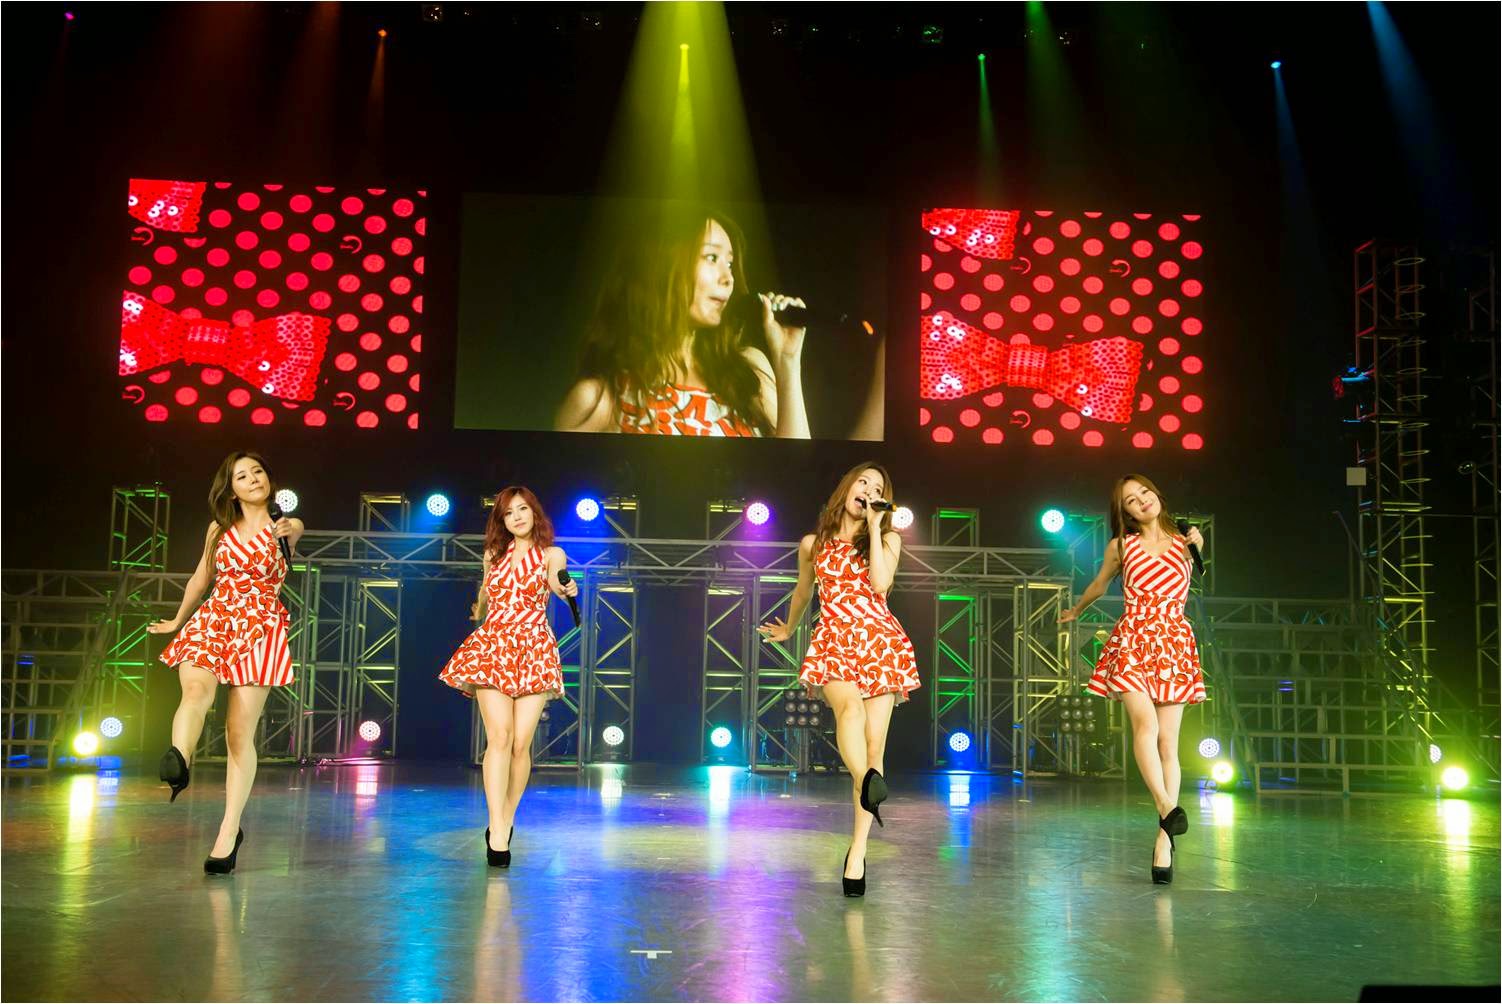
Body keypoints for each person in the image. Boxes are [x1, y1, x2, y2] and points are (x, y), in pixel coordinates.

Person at [759, 462, 919, 896]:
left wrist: (876, 526)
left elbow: (881, 585)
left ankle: (857, 853)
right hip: (834, 638)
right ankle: (868, 782)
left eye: (877, 488)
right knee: (848, 711)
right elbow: (803, 590)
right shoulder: (813, 544)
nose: (868, 490)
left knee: (874, 746)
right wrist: (791, 627)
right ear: (847, 487)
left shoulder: (888, 539)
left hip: (880, 641)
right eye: (862, 482)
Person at [149, 451, 303, 874]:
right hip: (215, 618)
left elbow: (293, 534)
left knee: (238, 734)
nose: (253, 479)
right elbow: (201, 577)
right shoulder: (218, 529)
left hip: (261, 626)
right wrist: (177, 620)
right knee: (195, 689)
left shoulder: (287, 526)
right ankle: (180, 759)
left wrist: (288, 530)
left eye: (258, 471)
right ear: (231, 490)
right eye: (242, 476)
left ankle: (229, 830)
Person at [1061, 474, 1206, 884]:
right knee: (1145, 726)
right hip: (1134, 638)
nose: (1141, 501)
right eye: (1130, 500)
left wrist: (1198, 542)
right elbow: (1099, 583)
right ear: (1124, 512)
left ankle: (1164, 842)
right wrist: (1076, 610)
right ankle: (1166, 807)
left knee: (1168, 743)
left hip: (1174, 642)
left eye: (1144, 492)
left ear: (1156, 494)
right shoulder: (1121, 546)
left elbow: (1200, 564)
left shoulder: (1186, 539)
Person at [555, 207, 811, 438]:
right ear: (663, 266)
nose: (728, 278)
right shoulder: (601, 398)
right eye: (712, 258)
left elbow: (799, 466)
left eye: (730, 263)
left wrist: (787, 361)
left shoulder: (748, 373)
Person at [438, 486, 578, 868]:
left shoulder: (551, 554)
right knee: (499, 736)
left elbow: (558, 585)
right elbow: (487, 591)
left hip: (533, 647)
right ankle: (497, 828)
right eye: (509, 512)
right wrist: (478, 607)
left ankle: (508, 816)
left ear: (534, 513)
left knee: (520, 744)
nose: (517, 517)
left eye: (523, 509)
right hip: (494, 645)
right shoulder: (493, 555)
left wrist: (569, 589)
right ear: (501, 520)